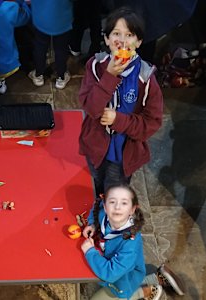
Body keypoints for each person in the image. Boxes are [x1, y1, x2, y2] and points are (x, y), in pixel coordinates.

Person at [78, 7, 163, 196]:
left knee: (114, 192)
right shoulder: (95, 66)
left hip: (123, 154)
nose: (122, 40)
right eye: (116, 33)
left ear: (139, 41)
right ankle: (97, 214)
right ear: (107, 39)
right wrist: (110, 75)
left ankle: (110, 221)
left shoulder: (145, 77)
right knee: (96, 184)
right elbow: (91, 108)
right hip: (95, 146)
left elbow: (152, 123)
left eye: (130, 34)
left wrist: (118, 120)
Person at [81, 183, 185, 299]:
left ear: (132, 209)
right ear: (105, 206)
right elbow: (96, 209)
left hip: (121, 280)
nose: (117, 207)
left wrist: (90, 252)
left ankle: (148, 290)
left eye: (124, 203)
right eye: (112, 202)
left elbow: (110, 274)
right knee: (126, 275)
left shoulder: (130, 243)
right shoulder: (103, 213)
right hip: (122, 267)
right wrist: (93, 224)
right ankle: (157, 277)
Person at [28, 0, 73, 90]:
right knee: (61, 49)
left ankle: (38, 75)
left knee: (40, 47)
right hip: (62, 17)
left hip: (40, 16)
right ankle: (61, 77)